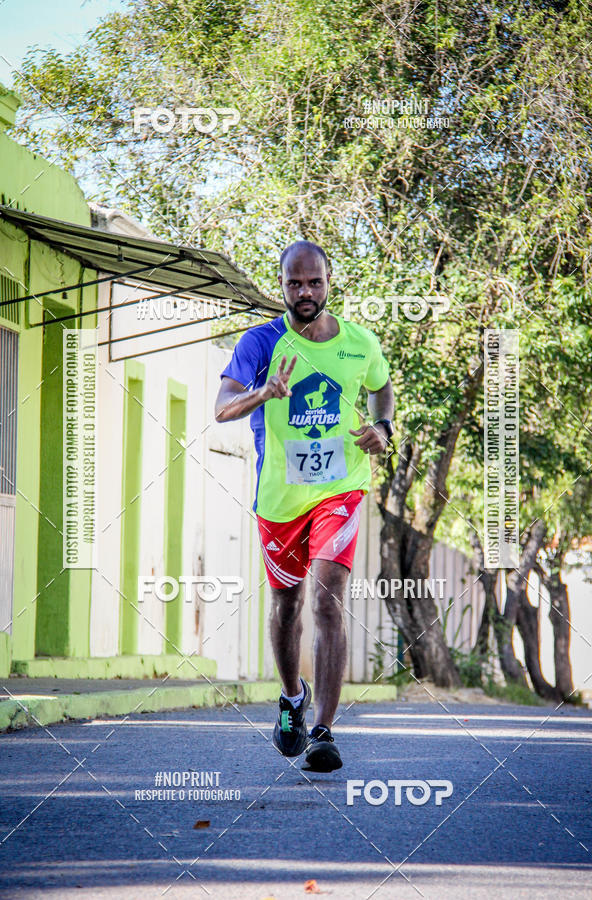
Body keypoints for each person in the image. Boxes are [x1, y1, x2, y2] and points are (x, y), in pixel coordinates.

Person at [214, 241, 394, 772]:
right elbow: (222, 407)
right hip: (279, 500)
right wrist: (264, 393)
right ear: (282, 285)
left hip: (341, 488)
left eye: (314, 282)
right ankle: (292, 697)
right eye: (295, 283)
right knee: (288, 606)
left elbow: (381, 389)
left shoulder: (359, 342)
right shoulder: (261, 341)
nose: (305, 292)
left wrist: (383, 427)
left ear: (329, 281)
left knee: (327, 601)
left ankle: (324, 730)